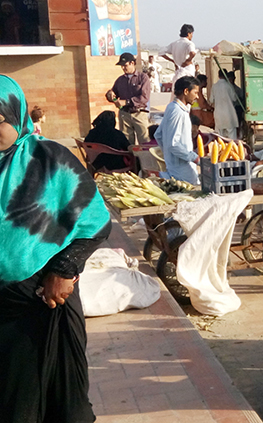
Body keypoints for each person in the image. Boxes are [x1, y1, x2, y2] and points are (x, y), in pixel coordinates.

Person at [0, 75, 112, 422]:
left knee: (63, 405)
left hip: (44, 303)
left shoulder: (50, 159)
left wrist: (64, 270)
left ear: (16, 115)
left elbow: (96, 222)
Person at [154, 76, 201, 184]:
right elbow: (173, 144)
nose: (197, 97)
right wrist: (194, 158)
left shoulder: (171, 107)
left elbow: (158, 135)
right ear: (186, 91)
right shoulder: (177, 112)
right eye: (195, 92)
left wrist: (168, 156)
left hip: (175, 164)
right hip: (182, 168)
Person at [106, 52, 151, 145]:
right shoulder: (120, 80)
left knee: (145, 142)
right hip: (125, 114)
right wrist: (110, 95)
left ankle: (143, 160)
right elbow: (114, 93)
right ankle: (130, 160)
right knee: (126, 144)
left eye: (125, 65)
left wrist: (127, 102)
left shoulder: (143, 78)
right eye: (121, 66)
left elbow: (144, 97)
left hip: (139, 113)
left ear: (132, 63)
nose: (123, 68)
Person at [210, 70, 240, 139]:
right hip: (229, 113)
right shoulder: (229, 85)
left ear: (218, 75)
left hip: (218, 114)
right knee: (231, 135)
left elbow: (211, 100)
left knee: (219, 136)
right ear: (226, 75)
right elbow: (234, 98)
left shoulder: (214, 86)